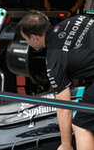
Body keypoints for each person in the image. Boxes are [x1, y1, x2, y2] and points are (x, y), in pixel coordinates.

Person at [16, 11, 94, 150]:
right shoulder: (76, 19)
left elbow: (64, 108)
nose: (27, 43)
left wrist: (66, 145)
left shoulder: (54, 62)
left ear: (33, 37)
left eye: (26, 39)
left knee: (81, 125)